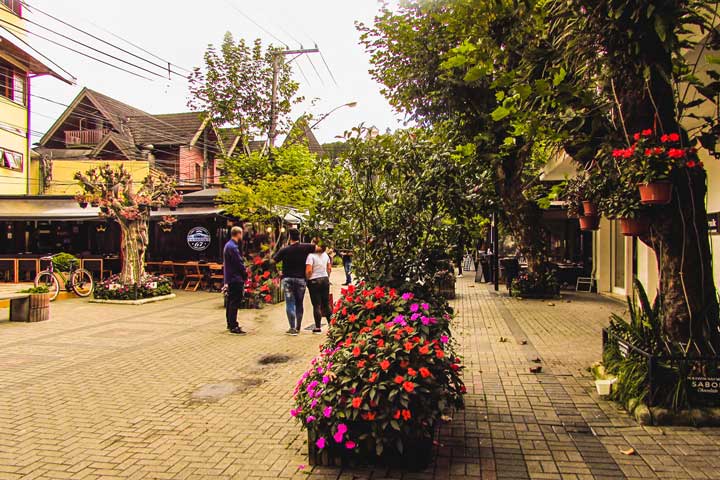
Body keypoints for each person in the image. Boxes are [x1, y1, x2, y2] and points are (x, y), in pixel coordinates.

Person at [272, 229, 316, 335]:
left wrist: (277, 272)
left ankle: (292, 327)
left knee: (290, 303)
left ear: (289, 237)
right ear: (299, 236)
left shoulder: (284, 250)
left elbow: (272, 261)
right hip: (301, 279)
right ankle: (298, 327)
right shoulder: (306, 247)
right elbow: (321, 248)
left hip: (287, 279)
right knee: (299, 303)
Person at [223, 226, 248, 335]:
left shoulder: (228, 245)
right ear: (238, 234)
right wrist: (244, 274)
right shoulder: (233, 247)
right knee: (234, 301)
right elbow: (239, 263)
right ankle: (233, 325)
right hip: (235, 278)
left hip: (230, 277)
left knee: (230, 301)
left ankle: (230, 323)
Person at [305, 243, 332, 334]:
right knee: (326, 303)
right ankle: (331, 325)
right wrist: (327, 277)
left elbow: (309, 270)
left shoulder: (310, 256)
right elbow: (329, 268)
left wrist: (308, 279)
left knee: (316, 305)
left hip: (314, 280)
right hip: (325, 279)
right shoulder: (326, 255)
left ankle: (317, 327)